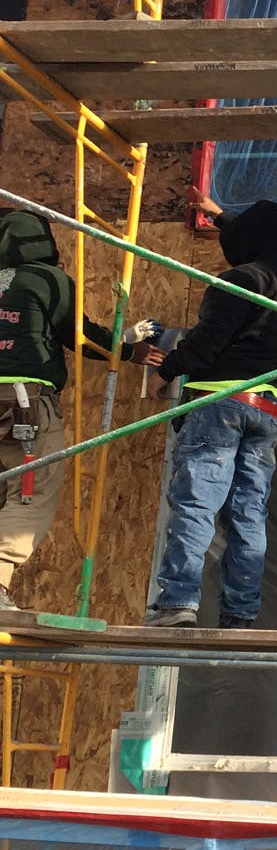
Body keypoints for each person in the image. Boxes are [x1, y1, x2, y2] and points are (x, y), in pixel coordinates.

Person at [143, 189, 277, 629]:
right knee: (247, 514)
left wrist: (166, 371)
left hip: (218, 403)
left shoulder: (236, 282)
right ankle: (240, 613)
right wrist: (220, 216)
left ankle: (177, 602)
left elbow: (207, 343)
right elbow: (263, 236)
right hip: (266, 410)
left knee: (197, 503)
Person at [0, 210, 164, 613]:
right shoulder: (45, 279)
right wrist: (128, 350)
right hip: (24, 404)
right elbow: (82, 336)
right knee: (28, 494)